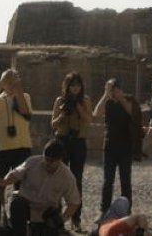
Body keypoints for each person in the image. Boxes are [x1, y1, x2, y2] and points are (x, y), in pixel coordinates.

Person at [0, 140, 81, 236]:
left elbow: (74, 202)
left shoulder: (67, 176)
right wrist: (4, 182)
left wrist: (62, 219)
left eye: (51, 161)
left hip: (46, 212)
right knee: (17, 204)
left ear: (59, 160)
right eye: (46, 159)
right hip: (27, 205)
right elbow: (15, 174)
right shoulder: (32, 162)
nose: (47, 163)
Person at [0, 69, 34, 229]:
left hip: (22, 147)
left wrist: (17, 88)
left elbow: (25, 111)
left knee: (23, 187)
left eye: (14, 80)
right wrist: (1, 83)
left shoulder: (25, 96)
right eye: (8, 81)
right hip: (1, 148)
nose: (11, 84)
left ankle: (21, 221)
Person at [51, 72, 93, 231]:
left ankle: (76, 218)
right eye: (72, 85)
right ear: (67, 86)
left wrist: (78, 107)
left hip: (78, 143)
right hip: (62, 141)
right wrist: (62, 114)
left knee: (76, 181)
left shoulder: (85, 100)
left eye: (77, 85)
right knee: (58, 179)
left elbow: (89, 119)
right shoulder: (60, 101)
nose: (75, 88)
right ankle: (56, 217)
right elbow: (53, 124)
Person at [93, 77, 136, 214]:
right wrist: (106, 94)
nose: (114, 92)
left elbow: (132, 113)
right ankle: (104, 209)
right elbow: (97, 113)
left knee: (125, 180)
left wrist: (121, 98)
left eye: (115, 89)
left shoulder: (128, 100)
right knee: (108, 181)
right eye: (112, 89)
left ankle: (127, 209)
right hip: (110, 146)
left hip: (125, 147)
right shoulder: (108, 103)